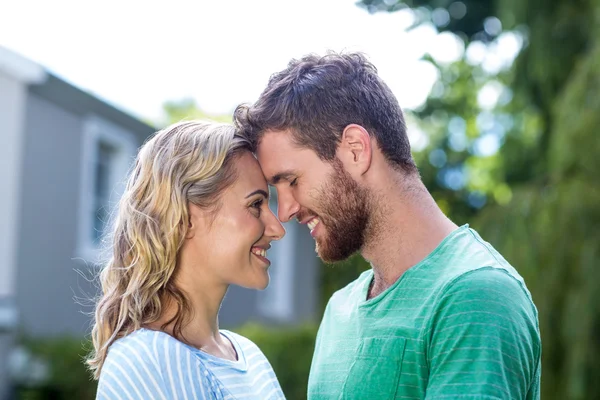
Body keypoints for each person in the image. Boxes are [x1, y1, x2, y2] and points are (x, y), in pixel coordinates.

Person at [234, 52, 542, 399]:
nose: (286, 210)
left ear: (355, 150)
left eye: (291, 180)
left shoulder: (475, 295)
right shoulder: (341, 308)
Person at [87, 121, 287, 399]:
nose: (278, 229)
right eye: (255, 205)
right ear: (186, 217)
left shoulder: (251, 358)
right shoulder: (145, 359)